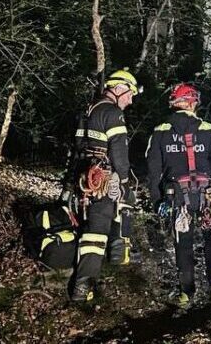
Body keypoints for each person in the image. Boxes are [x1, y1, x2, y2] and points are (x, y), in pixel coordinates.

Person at [146, 83, 211, 308]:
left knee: (183, 244)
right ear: (193, 102)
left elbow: (153, 171)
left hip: (177, 199)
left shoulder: (160, 131)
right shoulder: (210, 130)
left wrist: (156, 200)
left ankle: (186, 292)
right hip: (208, 196)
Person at [70, 69, 140, 302]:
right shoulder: (112, 113)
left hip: (85, 177)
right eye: (130, 94)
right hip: (102, 178)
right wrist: (122, 180)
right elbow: (119, 152)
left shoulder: (88, 111)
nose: (130, 100)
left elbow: (79, 146)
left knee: (90, 224)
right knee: (97, 231)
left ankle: (114, 255)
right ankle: (85, 285)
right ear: (119, 89)